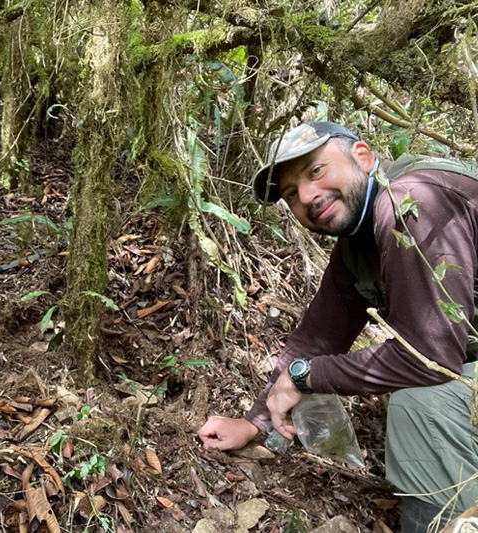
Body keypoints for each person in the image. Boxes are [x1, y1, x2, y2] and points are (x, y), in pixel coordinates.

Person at [197, 122, 478, 530]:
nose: (307, 197)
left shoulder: (410, 202)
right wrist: (254, 422)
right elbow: (318, 336)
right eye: (291, 194)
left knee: (421, 406)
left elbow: (432, 356)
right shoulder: (358, 242)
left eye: (315, 171)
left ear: (362, 156)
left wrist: (307, 378)